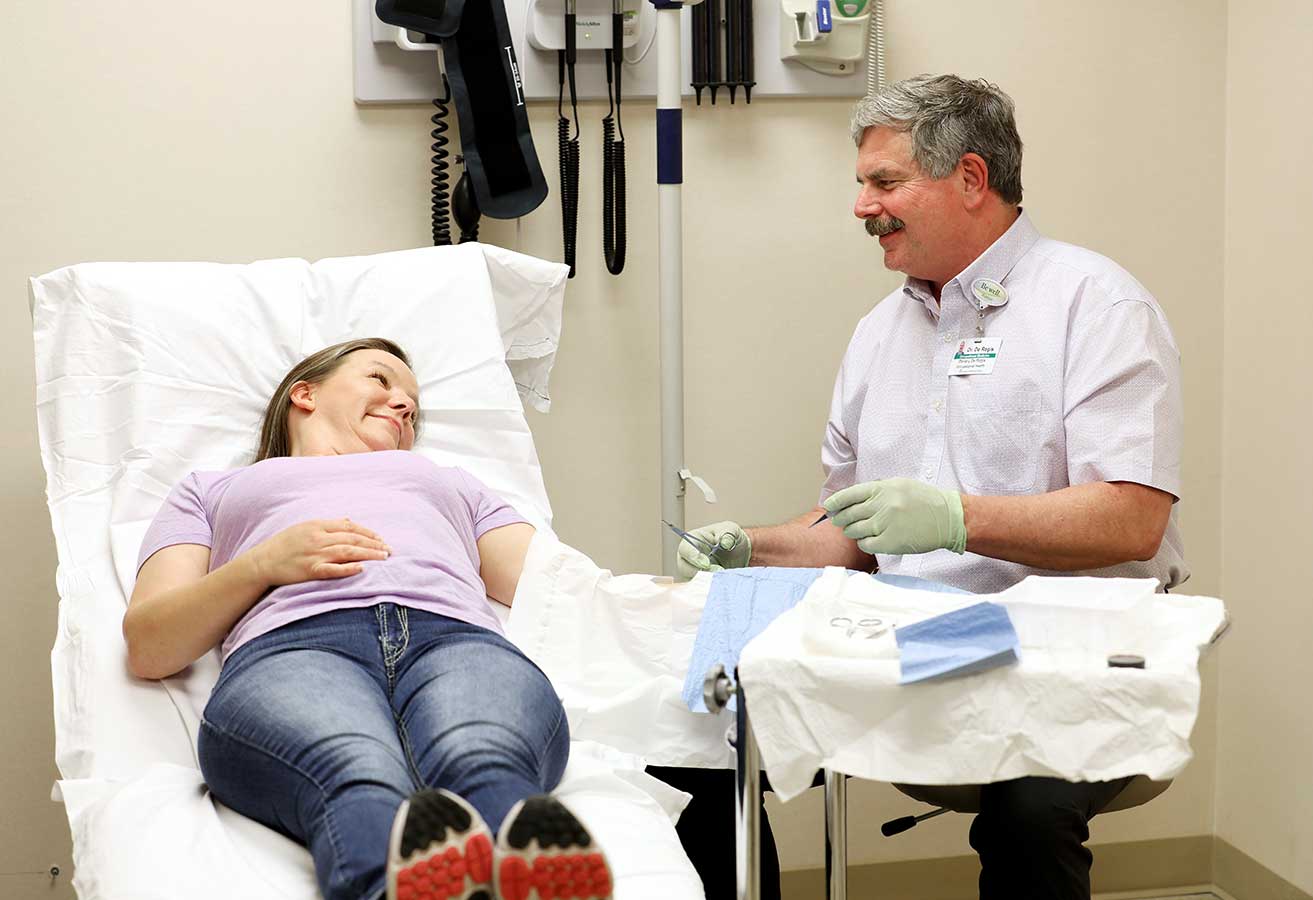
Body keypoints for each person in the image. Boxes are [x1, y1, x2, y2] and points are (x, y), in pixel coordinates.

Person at [674, 74, 1187, 900]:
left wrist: (955, 519)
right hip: (921, 641)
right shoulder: (880, 334)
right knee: (695, 722)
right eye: (860, 184)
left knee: (1027, 807)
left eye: (884, 182)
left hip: (1059, 643)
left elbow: (1130, 521)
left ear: (971, 180)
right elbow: (854, 529)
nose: (860, 206)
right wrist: (751, 545)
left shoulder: (1094, 305)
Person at [123, 337, 612, 900]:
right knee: (354, 771)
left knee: (483, 757)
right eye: (381, 381)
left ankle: (524, 874)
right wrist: (263, 564)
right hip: (294, 649)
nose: (403, 405)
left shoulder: (447, 481)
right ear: (303, 394)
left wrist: (700, 581)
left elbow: (566, 587)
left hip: (455, 640)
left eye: (413, 404)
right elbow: (150, 643)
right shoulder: (212, 490)